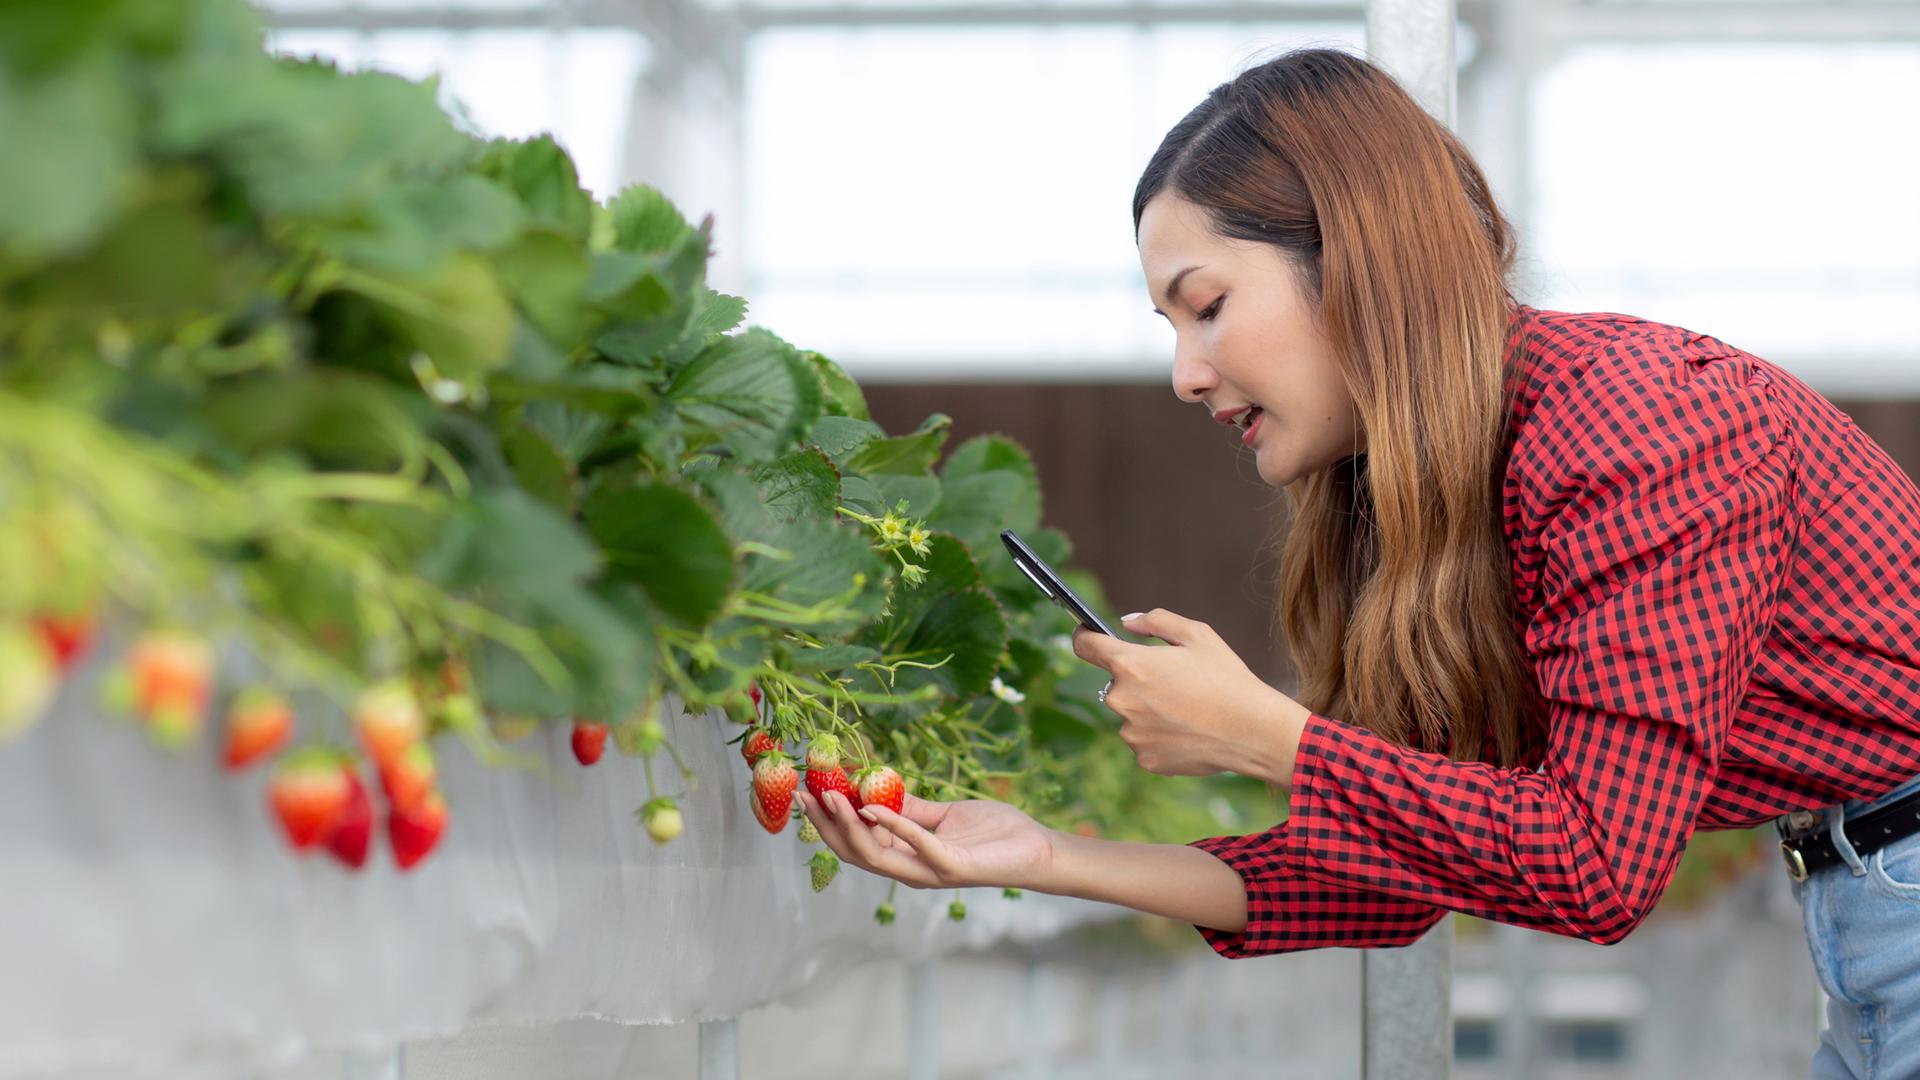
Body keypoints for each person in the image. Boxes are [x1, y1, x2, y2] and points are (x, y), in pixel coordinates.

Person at [794, 47, 1920, 1079]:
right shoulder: (1427, 491)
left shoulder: (1635, 429)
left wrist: (1258, 730)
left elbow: (1592, 867)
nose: (1186, 374)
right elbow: (1405, 868)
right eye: (1168, 328)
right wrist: (1041, 854)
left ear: (1361, 264)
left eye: (1209, 306)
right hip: (1866, 912)